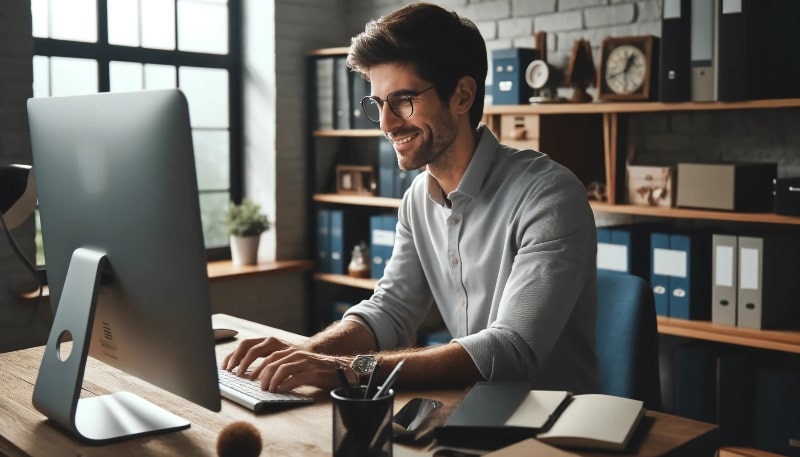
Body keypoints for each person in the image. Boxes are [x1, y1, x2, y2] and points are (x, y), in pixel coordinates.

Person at [222, 2, 598, 395]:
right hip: (470, 409)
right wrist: (304, 354)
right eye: (378, 105)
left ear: (462, 96)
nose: (385, 124)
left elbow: (512, 349)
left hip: (556, 426)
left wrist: (348, 370)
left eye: (403, 101)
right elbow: (391, 310)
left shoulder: (549, 195)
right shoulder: (418, 198)